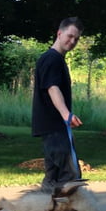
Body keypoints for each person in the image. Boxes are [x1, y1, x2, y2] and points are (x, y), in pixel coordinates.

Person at [31, 16, 84, 192]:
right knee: (70, 176)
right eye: (70, 36)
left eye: (76, 39)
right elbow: (52, 88)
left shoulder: (54, 59)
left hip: (52, 128)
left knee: (53, 179)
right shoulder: (52, 59)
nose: (73, 41)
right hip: (54, 127)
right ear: (59, 33)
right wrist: (66, 115)